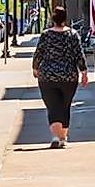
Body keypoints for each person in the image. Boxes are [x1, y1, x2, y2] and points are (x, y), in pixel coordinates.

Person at [32, 9, 86, 149]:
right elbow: (79, 54)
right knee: (65, 105)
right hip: (68, 76)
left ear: (52, 19)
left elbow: (39, 53)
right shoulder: (72, 34)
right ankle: (63, 137)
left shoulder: (46, 35)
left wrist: (35, 68)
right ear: (65, 18)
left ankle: (57, 136)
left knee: (53, 106)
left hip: (48, 76)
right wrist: (84, 72)